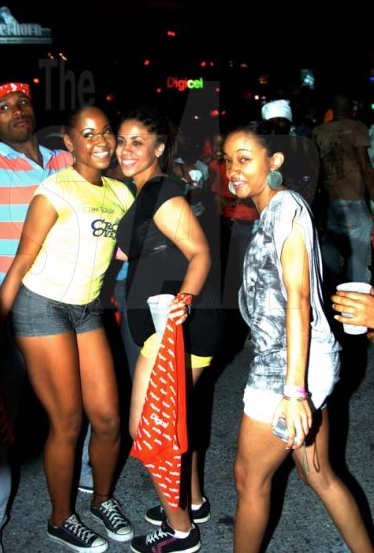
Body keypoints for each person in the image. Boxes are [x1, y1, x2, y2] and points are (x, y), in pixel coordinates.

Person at [222, 121, 373, 553]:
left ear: (275, 162)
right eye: (228, 160)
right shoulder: (272, 210)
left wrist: (294, 390)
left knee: (249, 480)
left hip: (287, 369)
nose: (233, 169)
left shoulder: (285, 206)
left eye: (244, 159)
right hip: (306, 360)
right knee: (318, 473)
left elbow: (298, 299)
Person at [0, 106, 134, 552]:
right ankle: (60, 518)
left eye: (106, 132)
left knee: (110, 420)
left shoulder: (120, 192)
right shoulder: (54, 189)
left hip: (86, 309)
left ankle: (102, 498)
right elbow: (20, 264)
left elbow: (133, 245)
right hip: (41, 307)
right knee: (68, 421)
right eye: (88, 134)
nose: (101, 140)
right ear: (70, 144)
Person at [115, 106, 224, 553]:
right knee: (176, 416)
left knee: (148, 426)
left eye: (137, 141)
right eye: (121, 140)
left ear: (159, 148)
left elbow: (200, 253)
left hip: (175, 325)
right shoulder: (146, 190)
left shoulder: (162, 192)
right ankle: (191, 502)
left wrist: (181, 305)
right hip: (177, 322)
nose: (125, 149)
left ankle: (180, 532)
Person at [0, 81, 72, 553]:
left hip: (67, 307)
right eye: (3, 108)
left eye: (23, 103)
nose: (17, 110)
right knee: (1, 424)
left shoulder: (63, 161)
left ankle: (87, 491)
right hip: (7, 315)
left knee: (80, 410)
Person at [312, 94, 374, 285]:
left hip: (332, 198)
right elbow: (364, 165)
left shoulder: (318, 131)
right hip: (353, 198)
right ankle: (356, 292)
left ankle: (324, 285)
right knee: (360, 250)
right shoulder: (357, 128)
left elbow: (317, 167)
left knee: (331, 245)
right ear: (350, 109)